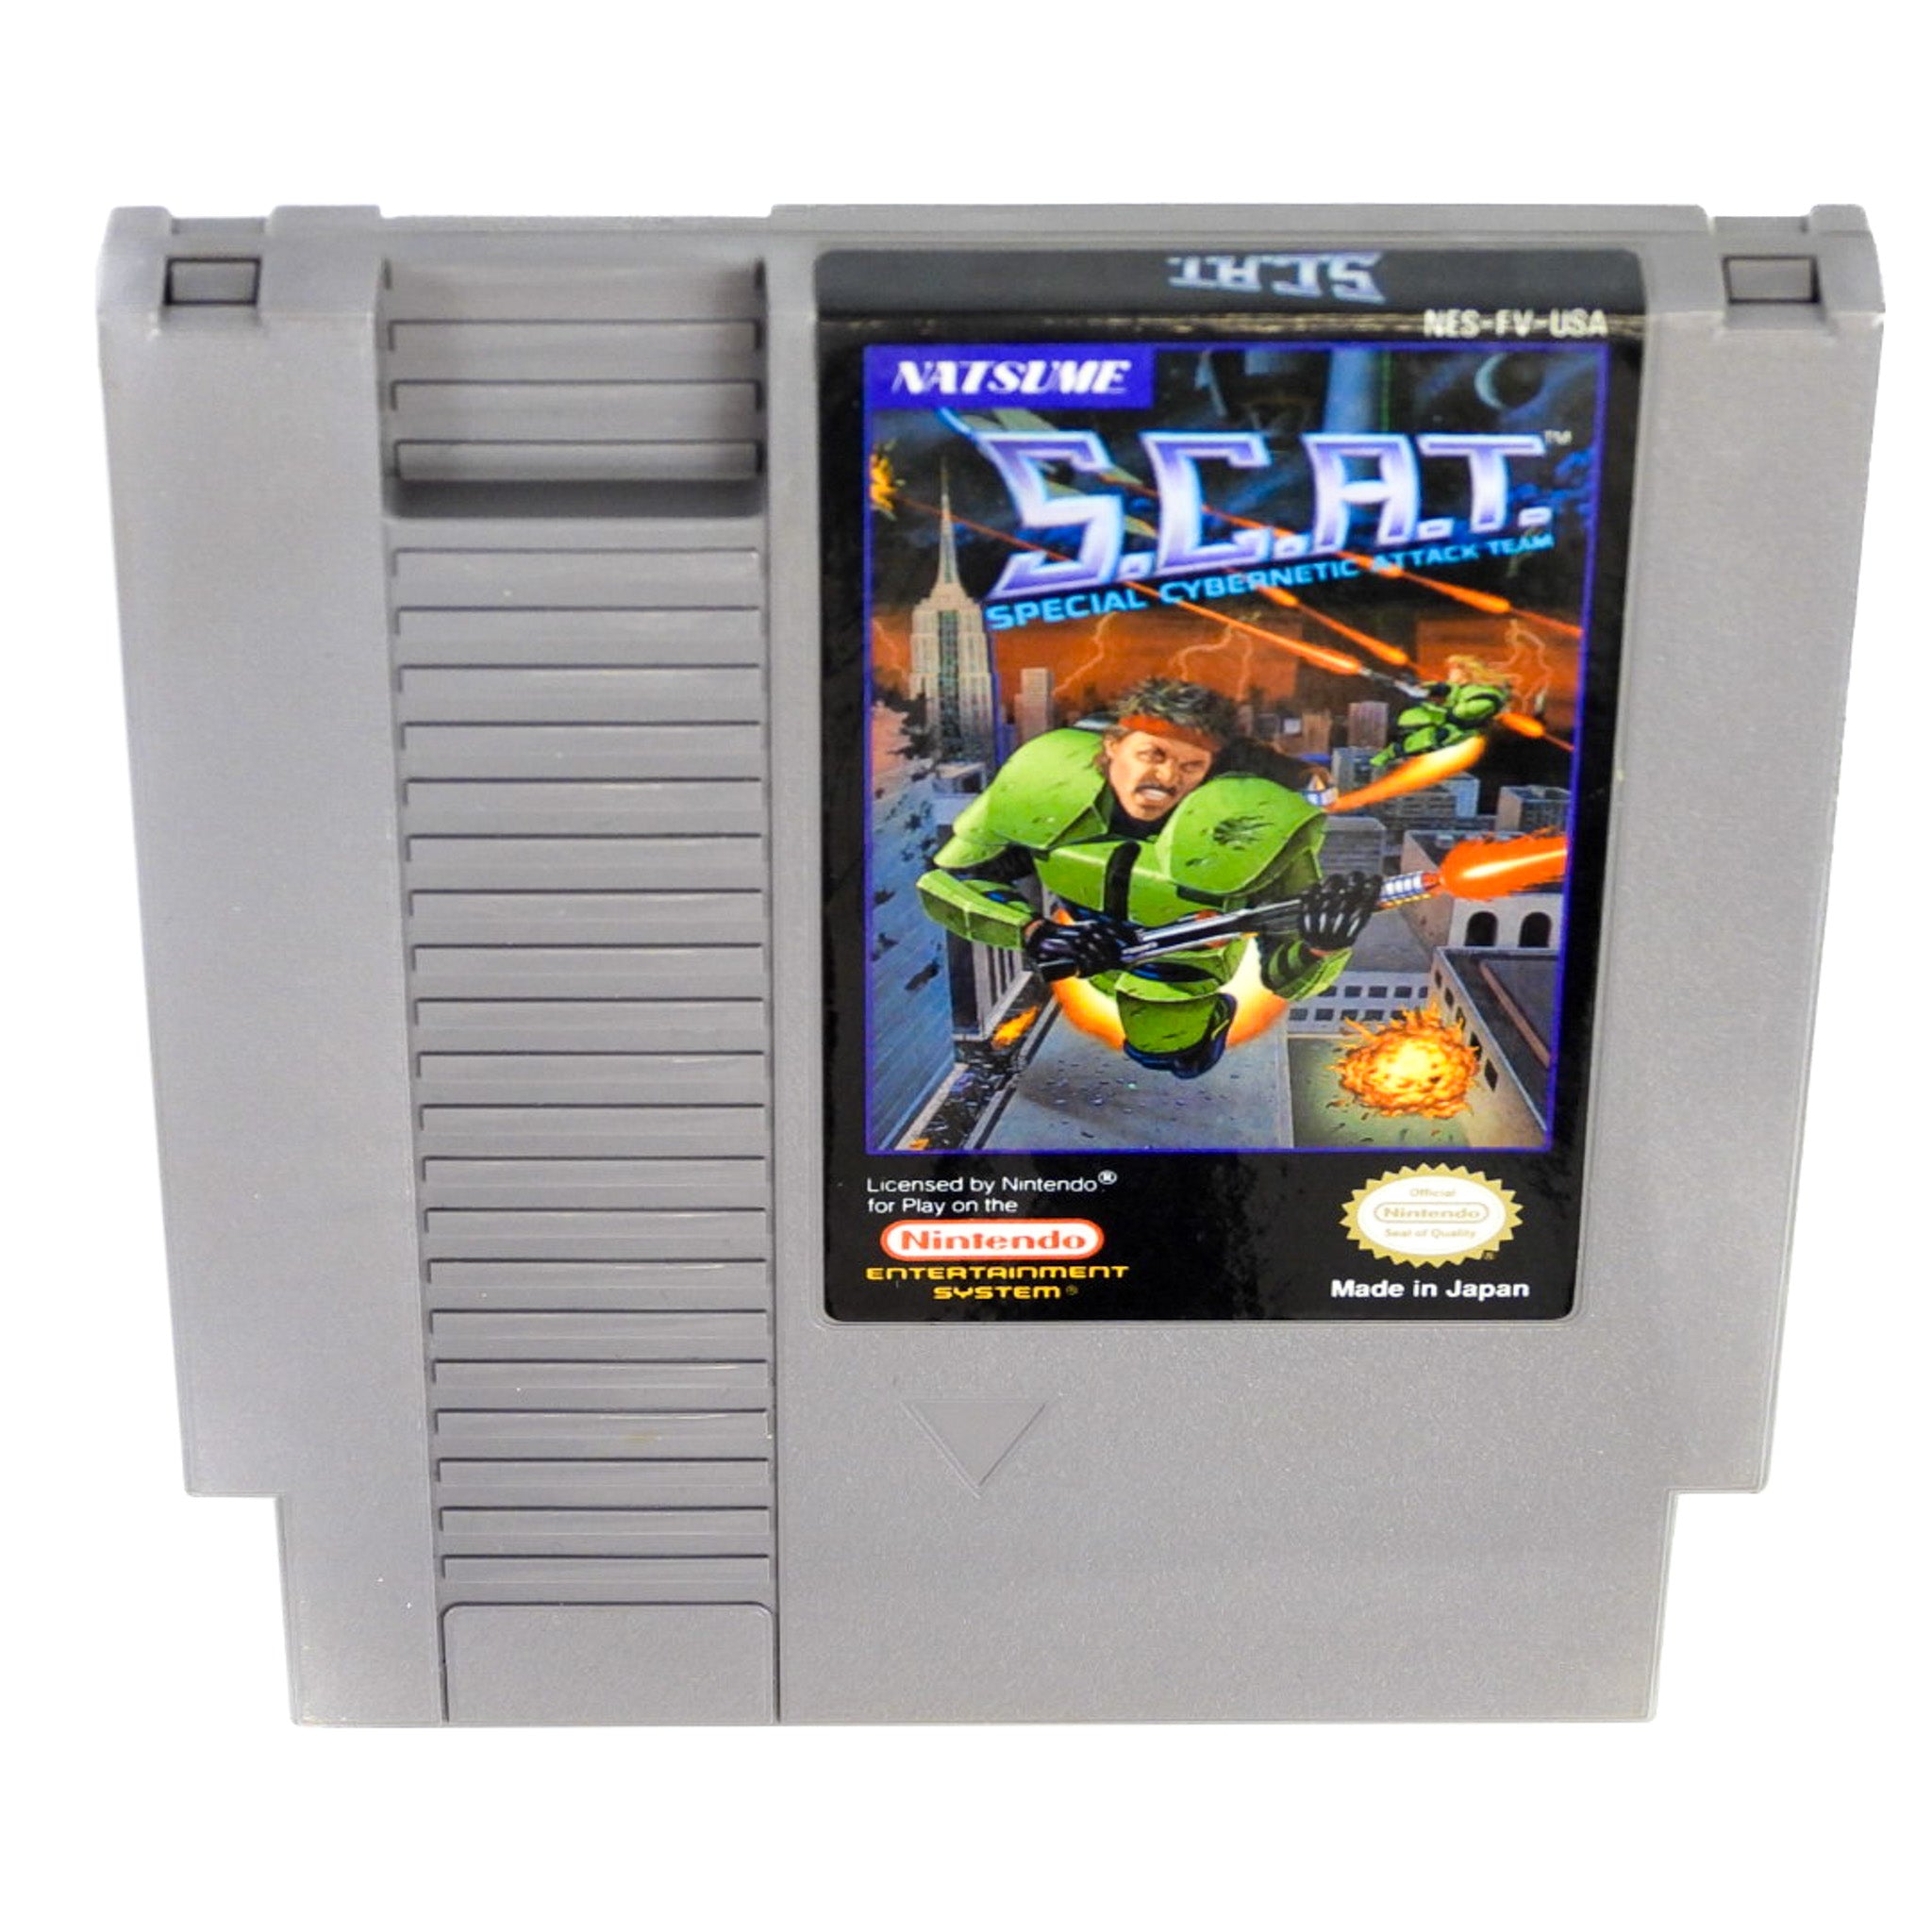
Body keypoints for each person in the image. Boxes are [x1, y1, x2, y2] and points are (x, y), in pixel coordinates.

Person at [915, 678, 1379, 1078]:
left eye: (1191, 765)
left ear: (1212, 770)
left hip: (1186, 969)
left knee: (1171, 1043)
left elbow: (1288, 974)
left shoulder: (1256, 829)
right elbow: (950, 878)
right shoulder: (1046, 787)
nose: (1167, 778)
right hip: (1087, 943)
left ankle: (1187, 1035)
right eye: (1152, 754)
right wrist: (1034, 931)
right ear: (1112, 745)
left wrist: (1322, 948)